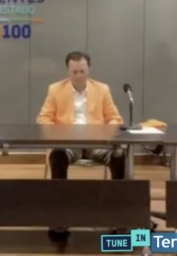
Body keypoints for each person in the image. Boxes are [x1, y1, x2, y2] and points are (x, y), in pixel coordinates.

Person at [37, 51, 125, 241]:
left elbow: (115, 118)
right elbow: (44, 118)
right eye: (74, 72)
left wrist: (105, 132)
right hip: (68, 142)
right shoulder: (55, 89)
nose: (78, 76)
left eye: (82, 71)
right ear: (68, 71)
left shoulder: (102, 89)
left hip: (96, 142)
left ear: (88, 70)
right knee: (58, 155)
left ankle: (119, 213)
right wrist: (60, 133)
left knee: (119, 156)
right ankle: (60, 215)